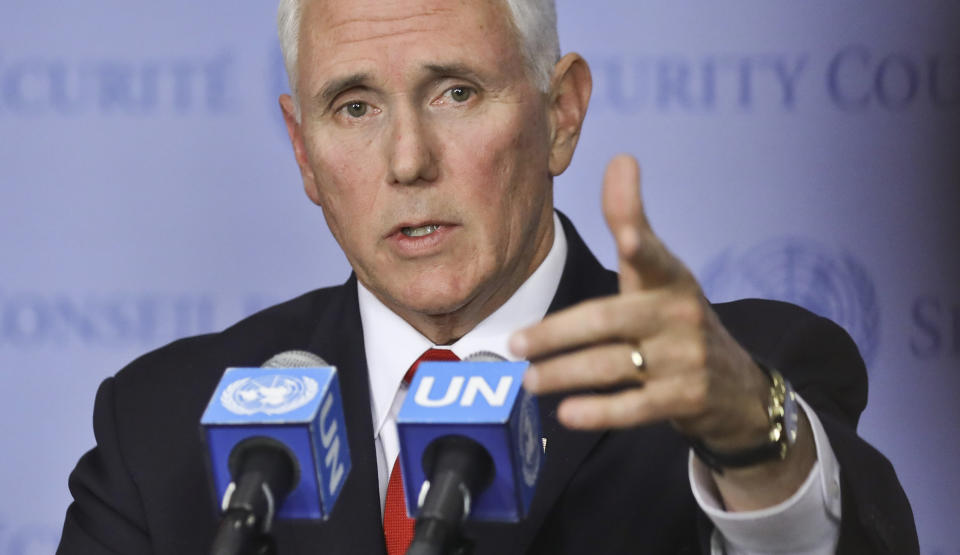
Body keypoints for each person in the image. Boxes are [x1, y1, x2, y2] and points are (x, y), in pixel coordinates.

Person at [57, 0, 918, 554]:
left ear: (560, 113)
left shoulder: (737, 378)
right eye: (354, 106)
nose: (407, 160)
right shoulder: (162, 427)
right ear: (303, 152)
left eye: (456, 92)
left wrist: (752, 440)